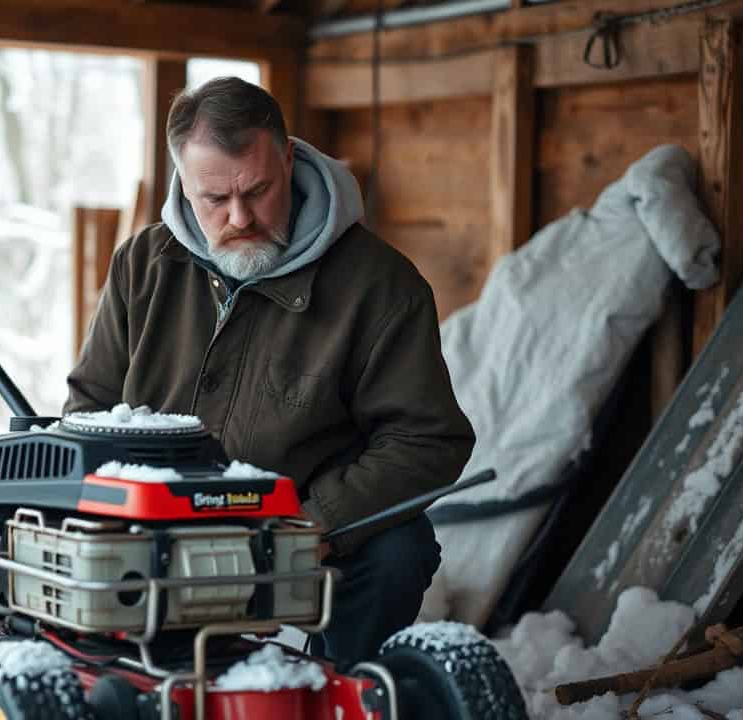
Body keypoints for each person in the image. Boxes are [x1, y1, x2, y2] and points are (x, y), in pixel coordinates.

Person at [63, 76, 474, 671]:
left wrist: (318, 522)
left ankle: (343, 690)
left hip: (305, 532)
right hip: (154, 527)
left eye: (257, 191)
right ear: (182, 178)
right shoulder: (141, 265)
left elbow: (426, 439)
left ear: (287, 158)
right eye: (214, 199)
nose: (240, 217)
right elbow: (88, 410)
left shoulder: (381, 286)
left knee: (399, 550)